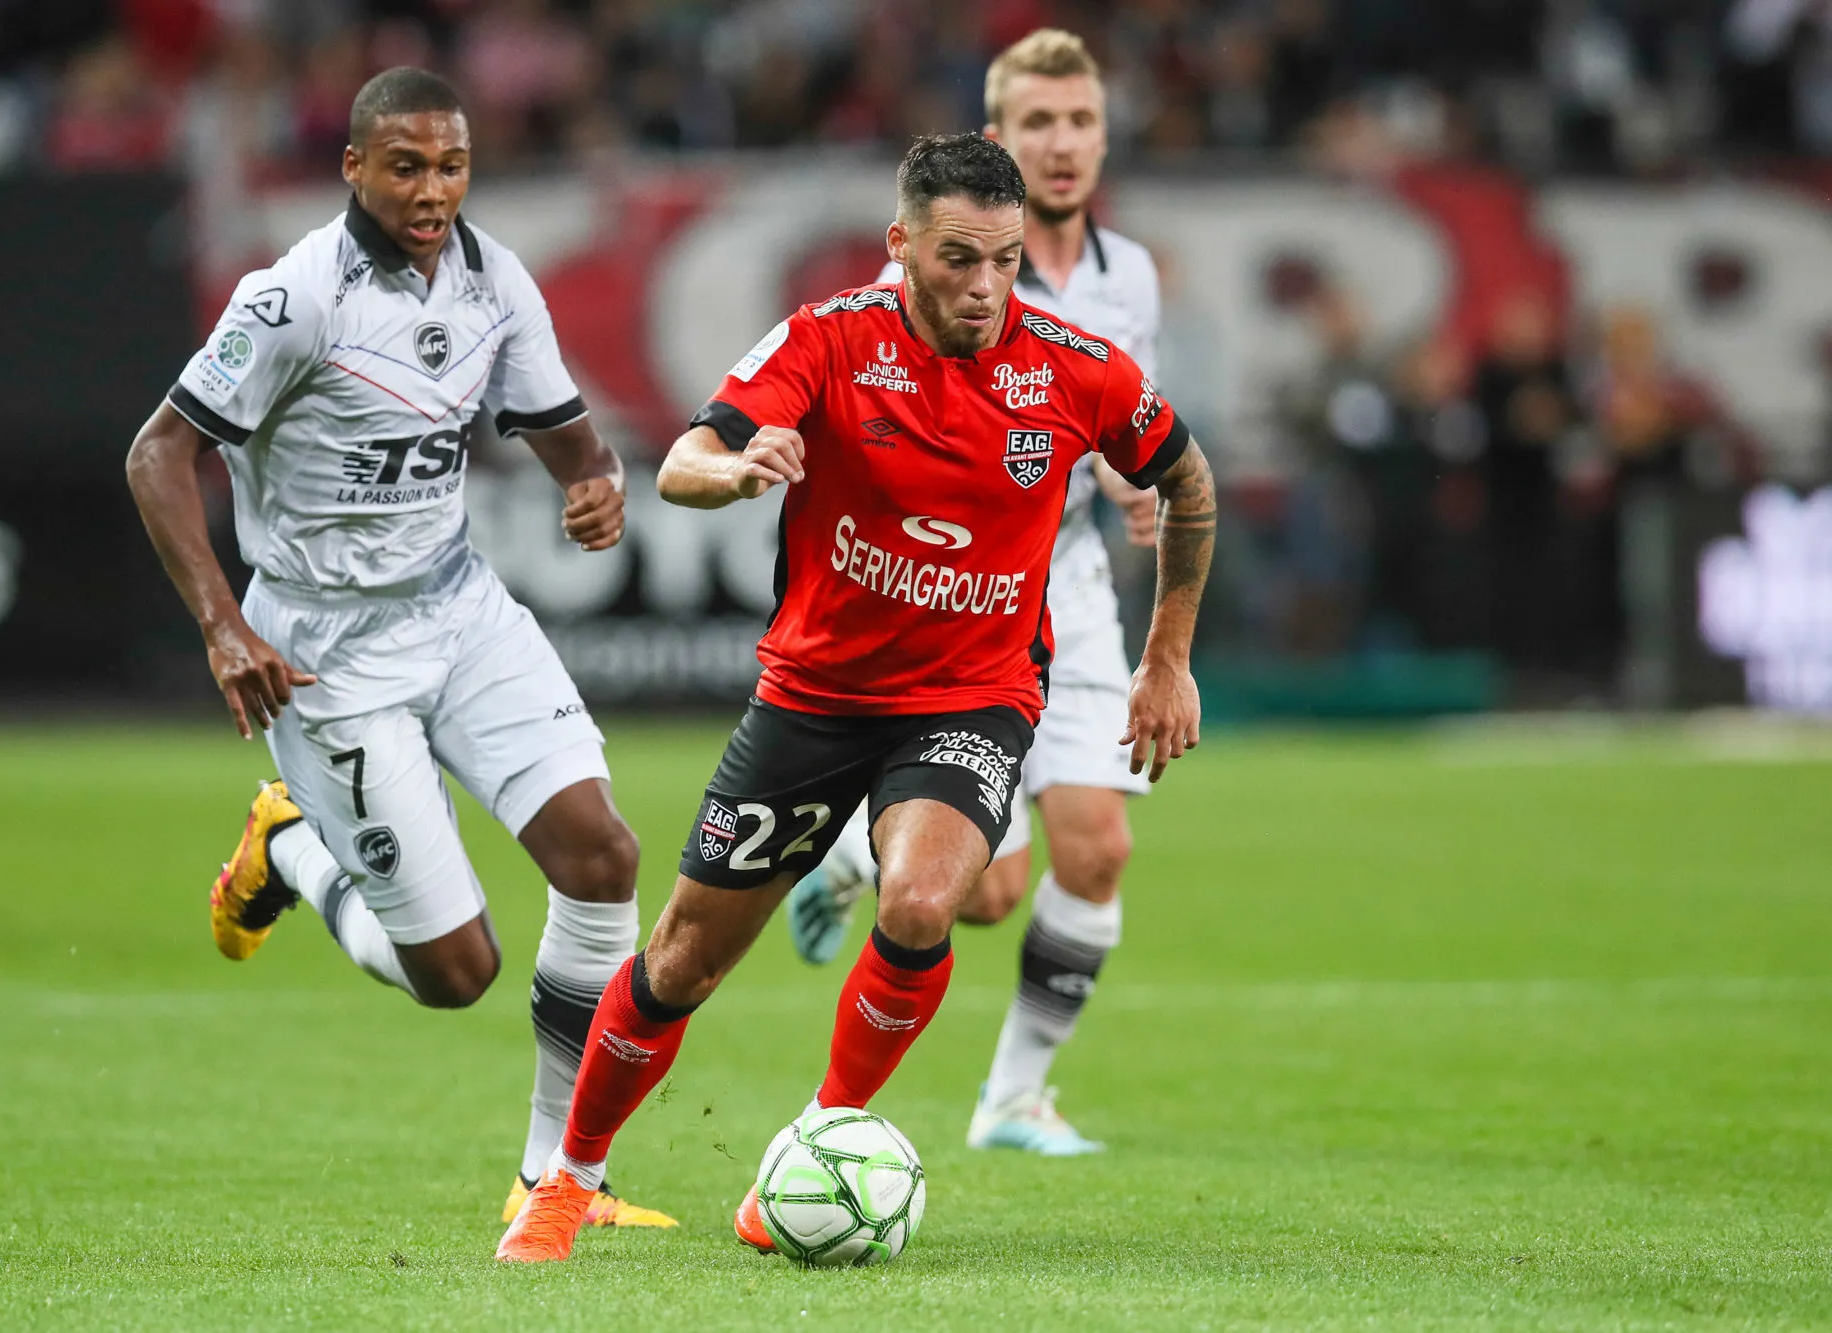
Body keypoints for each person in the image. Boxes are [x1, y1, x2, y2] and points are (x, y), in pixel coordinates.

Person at [496, 131, 1215, 1263]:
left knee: (922, 902)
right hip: (814, 698)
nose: (984, 287)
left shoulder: (1073, 367)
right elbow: (684, 460)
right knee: (681, 959)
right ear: (901, 245)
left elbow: (1185, 477)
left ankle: (817, 1139)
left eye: (1004, 261)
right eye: (957, 259)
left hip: (971, 698)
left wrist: (1165, 656)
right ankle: (566, 1182)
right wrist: (736, 470)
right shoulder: (829, 340)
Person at [124, 67, 673, 1233]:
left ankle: (557, 1177)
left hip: (460, 610)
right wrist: (223, 625)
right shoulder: (293, 299)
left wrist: (594, 484)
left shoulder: (494, 279)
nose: (432, 190)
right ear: (355, 167)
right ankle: (292, 850)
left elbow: (568, 437)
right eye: (407, 166)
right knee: (457, 975)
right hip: (325, 649)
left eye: (452, 166)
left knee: (602, 856)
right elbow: (157, 454)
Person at [785, 29, 1170, 1156]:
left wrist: (1131, 480)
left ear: (1104, 137)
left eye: (1081, 121)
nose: (1063, 144)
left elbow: (1124, 417)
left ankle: (1013, 1098)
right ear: (999, 141)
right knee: (987, 892)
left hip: (1069, 581)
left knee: (1096, 848)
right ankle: (852, 856)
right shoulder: (928, 276)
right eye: (1039, 123)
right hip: (955, 597)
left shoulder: (1128, 274)